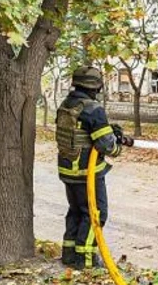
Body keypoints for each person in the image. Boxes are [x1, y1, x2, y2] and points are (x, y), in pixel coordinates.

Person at [56, 66, 134, 269]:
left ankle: (69, 255)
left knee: (75, 211)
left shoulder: (67, 104)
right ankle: (86, 260)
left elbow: (88, 132)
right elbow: (106, 145)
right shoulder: (93, 109)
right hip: (86, 173)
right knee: (95, 213)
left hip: (67, 170)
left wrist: (111, 131)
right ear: (95, 87)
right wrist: (118, 146)